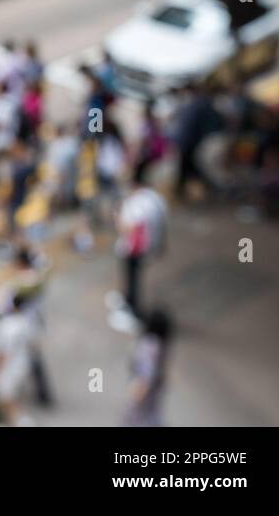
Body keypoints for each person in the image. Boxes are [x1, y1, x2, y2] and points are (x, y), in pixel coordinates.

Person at [0, 247, 53, 408]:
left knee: (13, 360)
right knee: (35, 360)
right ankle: (44, 394)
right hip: (34, 325)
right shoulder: (38, 279)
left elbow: (2, 305)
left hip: (20, 326)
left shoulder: (18, 286)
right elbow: (45, 261)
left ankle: (12, 398)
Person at [113, 182, 168, 320]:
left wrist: (117, 218)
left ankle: (132, 310)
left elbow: (128, 228)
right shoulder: (157, 198)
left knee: (133, 278)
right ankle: (128, 300)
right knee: (134, 277)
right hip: (151, 246)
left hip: (135, 250)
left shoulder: (135, 206)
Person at [0, 290, 38, 425]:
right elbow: (33, 345)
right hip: (23, 365)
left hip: (8, 370)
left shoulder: (6, 326)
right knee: (5, 399)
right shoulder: (27, 322)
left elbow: (1, 355)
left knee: (4, 401)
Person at [123, 308, 173, 426]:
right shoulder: (159, 347)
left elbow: (144, 379)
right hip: (150, 410)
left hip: (142, 413)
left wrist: (135, 400)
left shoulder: (148, 347)